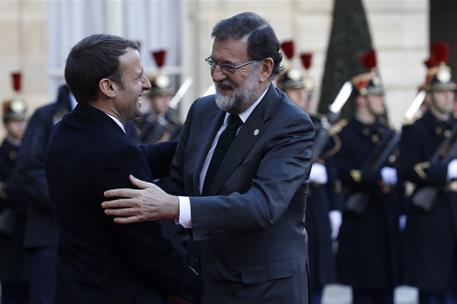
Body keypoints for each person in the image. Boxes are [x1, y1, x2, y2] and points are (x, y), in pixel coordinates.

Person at [102, 12, 314, 304]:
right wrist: (177, 274)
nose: (216, 75)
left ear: (265, 68)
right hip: (201, 287)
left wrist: (175, 207)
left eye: (229, 66)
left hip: (262, 291)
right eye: (213, 63)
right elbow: (177, 183)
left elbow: (262, 206)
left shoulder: (291, 124)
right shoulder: (203, 111)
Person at [45, 34, 201, 304]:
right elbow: (147, 250)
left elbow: (136, 159)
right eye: (138, 77)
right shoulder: (115, 152)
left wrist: (197, 145)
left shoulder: (67, 130)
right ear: (108, 86)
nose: (147, 84)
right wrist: (200, 289)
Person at [334, 50, 402, 304]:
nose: (381, 100)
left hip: (386, 220)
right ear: (361, 99)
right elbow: (342, 172)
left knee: (388, 292)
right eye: (376, 95)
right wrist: (374, 177)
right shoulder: (346, 134)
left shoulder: (387, 133)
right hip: (361, 223)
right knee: (363, 293)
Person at [276, 50, 340, 304]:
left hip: (317, 206)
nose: (304, 96)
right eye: (296, 91)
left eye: (305, 92)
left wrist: (336, 209)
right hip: (288, 207)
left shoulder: (317, 125)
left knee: (318, 276)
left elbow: (332, 171)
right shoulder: (278, 125)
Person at [399, 42, 457, 304]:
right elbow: (408, 169)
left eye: (450, 92)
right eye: (441, 92)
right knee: (432, 293)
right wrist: (446, 172)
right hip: (431, 220)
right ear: (430, 95)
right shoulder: (416, 130)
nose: (448, 97)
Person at [8, 84, 75, 304]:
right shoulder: (46, 116)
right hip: (50, 234)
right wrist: (70, 203)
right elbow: (27, 172)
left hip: (95, 236)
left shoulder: (111, 116)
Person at [0, 98, 28, 304]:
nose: (20, 126)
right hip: (7, 229)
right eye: (14, 121)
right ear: (6, 123)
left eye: (22, 121)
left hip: (28, 228)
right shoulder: (1, 154)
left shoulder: (30, 152)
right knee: (11, 290)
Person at [135, 73, 182, 144]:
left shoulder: (175, 124)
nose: (165, 101)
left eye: (168, 97)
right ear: (151, 98)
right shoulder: (140, 123)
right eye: (160, 97)